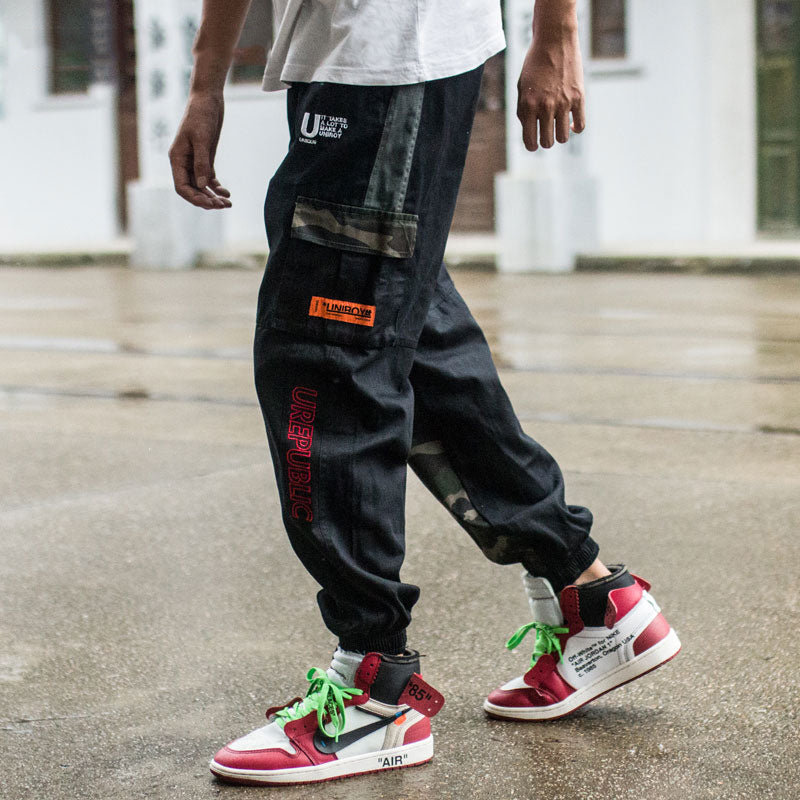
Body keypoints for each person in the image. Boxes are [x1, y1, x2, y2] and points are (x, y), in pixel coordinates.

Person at [170, 0, 681, 786]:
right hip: (338, 62)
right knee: (411, 344)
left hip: (394, 55)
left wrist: (555, 34)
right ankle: (591, 599)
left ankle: (375, 693)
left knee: (324, 359)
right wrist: (205, 84)